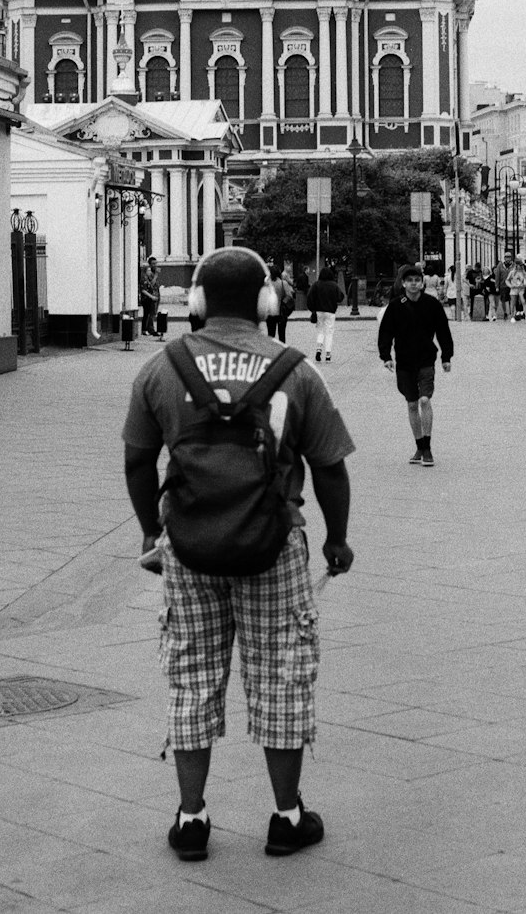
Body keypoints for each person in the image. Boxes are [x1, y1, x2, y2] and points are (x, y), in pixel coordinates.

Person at [122, 247, 355, 861]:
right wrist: (336, 538)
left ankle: (192, 820)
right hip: (274, 547)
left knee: (192, 678)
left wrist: (152, 530)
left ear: (195, 301)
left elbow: (137, 460)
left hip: (190, 548)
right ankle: (286, 816)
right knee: (281, 675)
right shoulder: (297, 370)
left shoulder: (161, 368)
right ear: (267, 302)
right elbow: (329, 467)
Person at [377, 266, 454, 465]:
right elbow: (386, 332)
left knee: (425, 400)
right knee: (412, 404)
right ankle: (419, 446)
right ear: (403, 283)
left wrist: (447, 356)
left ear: (422, 283)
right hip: (404, 361)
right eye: (409, 280)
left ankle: (427, 448)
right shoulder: (395, 306)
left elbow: (443, 331)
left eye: (416, 280)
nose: (413, 283)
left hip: (426, 359)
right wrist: (386, 356)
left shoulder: (432, 304)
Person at [306, 267, 343, 362]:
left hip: (319, 311)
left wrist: (313, 309)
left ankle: (319, 349)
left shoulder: (316, 285)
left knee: (320, 331)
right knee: (329, 333)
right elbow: (340, 297)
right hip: (330, 311)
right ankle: (328, 354)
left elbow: (309, 298)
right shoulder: (334, 285)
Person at [140, 257, 161, 338]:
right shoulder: (148, 274)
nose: (155, 265)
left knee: (152, 313)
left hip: (155, 295)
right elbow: (150, 284)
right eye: (153, 264)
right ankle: (150, 329)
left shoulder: (152, 272)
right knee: (149, 314)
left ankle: (149, 329)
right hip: (149, 297)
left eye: (156, 263)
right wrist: (156, 275)